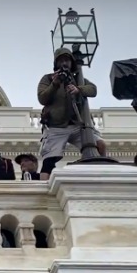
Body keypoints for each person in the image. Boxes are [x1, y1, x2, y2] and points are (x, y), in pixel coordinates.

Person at [36, 48, 106, 179]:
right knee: (49, 161)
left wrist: (78, 89)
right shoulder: (48, 78)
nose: (64, 63)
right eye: (61, 60)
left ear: (71, 63)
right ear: (56, 64)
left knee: (100, 145)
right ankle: (43, 191)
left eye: (67, 60)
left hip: (77, 124)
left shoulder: (78, 79)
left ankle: (103, 175)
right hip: (56, 126)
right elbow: (42, 98)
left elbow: (93, 90)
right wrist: (55, 84)